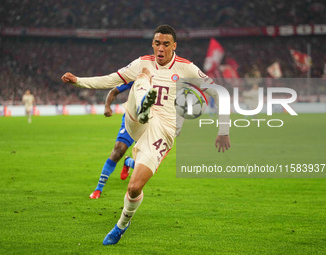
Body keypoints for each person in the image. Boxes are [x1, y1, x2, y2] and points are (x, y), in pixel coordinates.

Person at [61, 24, 231, 245]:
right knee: (142, 77)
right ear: (153, 44)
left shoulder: (187, 68)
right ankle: (144, 105)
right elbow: (111, 79)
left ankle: (122, 225)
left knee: (133, 188)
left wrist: (224, 130)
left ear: (174, 46)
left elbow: (220, 92)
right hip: (137, 118)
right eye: (157, 43)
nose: (160, 48)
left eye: (166, 44)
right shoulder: (142, 62)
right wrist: (78, 81)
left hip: (163, 129)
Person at [89, 82, 136, 199]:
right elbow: (114, 91)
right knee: (118, 151)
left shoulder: (164, 78)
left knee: (145, 163)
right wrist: (107, 106)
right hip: (131, 120)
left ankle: (128, 162)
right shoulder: (136, 75)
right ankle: (98, 189)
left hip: (150, 123)